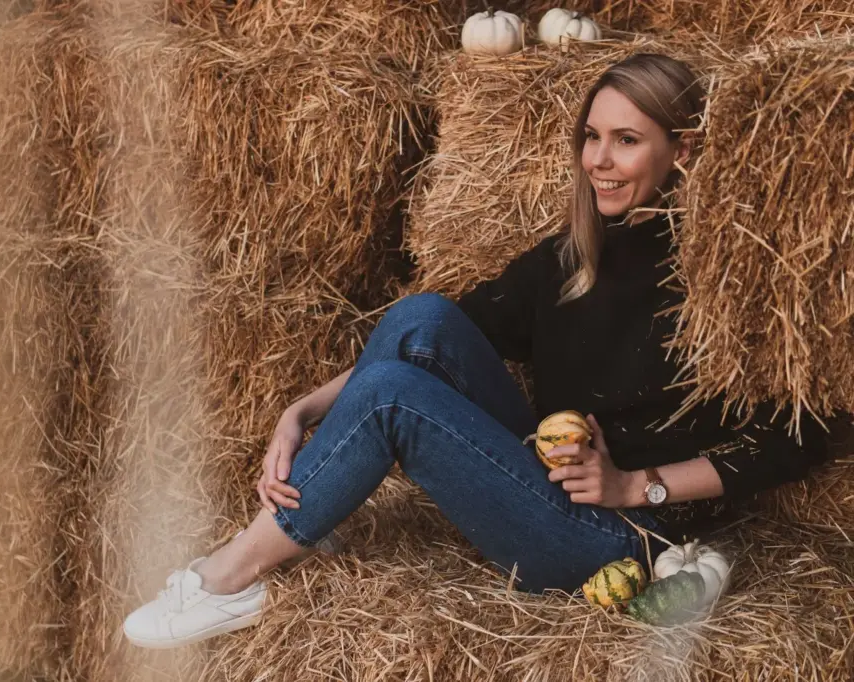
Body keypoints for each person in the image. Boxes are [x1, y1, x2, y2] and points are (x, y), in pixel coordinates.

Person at [122, 53, 829, 649]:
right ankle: (306, 511)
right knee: (422, 315)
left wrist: (636, 487)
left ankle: (232, 578)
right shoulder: (572, 259)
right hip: (545, 484)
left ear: (686, 147)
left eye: (626, 141)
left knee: (392, 396)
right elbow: (439, 328)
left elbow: (806, 432)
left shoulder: (732, 278)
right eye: (591, 137)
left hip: (626, 540)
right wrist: (300, 409)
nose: (599, 162)